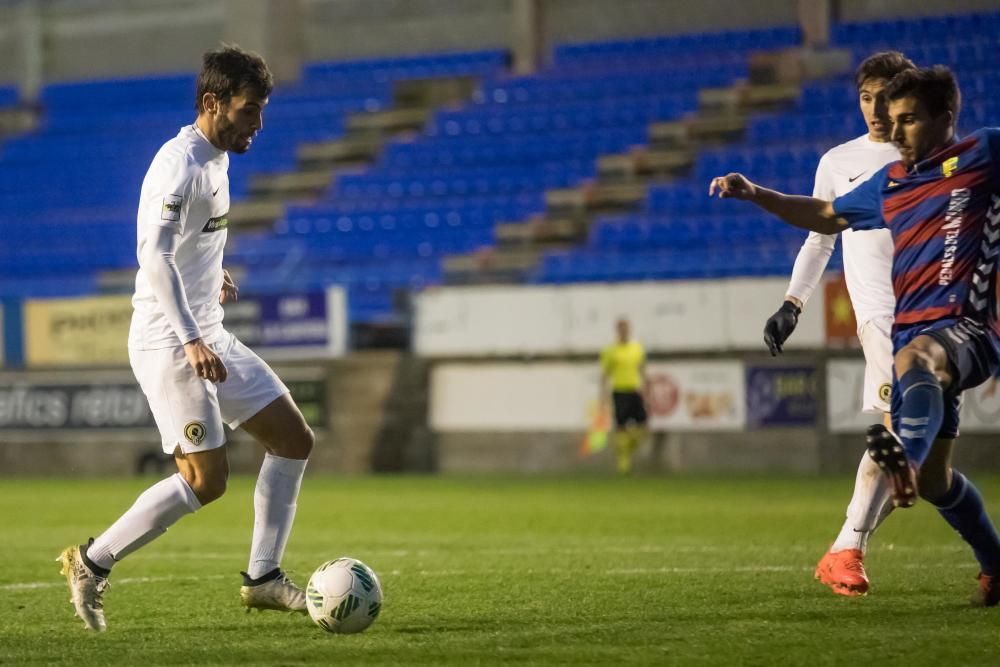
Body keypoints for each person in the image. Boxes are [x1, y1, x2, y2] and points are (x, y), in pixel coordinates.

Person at [709, 66, 1000, 606]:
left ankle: (900, 466)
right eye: (892, 119)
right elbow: (823, 215)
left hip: (969, 327)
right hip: (912, 332)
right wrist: (756, 194)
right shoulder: (889, 184)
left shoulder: (985, 154)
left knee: (917, 359)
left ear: (946, 118)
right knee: (939, 481)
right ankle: (994, 561)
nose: (897, 131)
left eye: (909, 120)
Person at [58, 44, 316, 632]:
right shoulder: (180, 165)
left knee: (293, 440)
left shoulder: (216, 157)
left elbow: (185, 242)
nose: (259, 123)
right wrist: (192, 335)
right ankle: (92, 562)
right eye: (250, 110)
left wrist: (209, 270)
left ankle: (263, 580)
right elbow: (152, 254)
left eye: (262, 109)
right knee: (206, 480)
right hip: (171, 342)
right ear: (213, 103)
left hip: (207, 332)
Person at [763, 51, 915, 597]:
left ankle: (846, 548)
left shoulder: (933, 154)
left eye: (885, 96)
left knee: (920, 446)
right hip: (883, 317)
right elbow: (820, 236)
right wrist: (793, 303)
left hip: (938, 310)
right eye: (865, 97)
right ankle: (847, 548)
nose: (875, 109)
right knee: (905, 437)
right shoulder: (840, 161)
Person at [600, 318, 649, 474]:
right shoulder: (611, 350)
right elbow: (605, 374)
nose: (624, 331)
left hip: (634, 390)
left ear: (630, 329)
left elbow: (641, 368)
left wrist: (647, 384)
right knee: (621, 427)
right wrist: (603, 394)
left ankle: (626, 448)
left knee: (643, 425)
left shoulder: (637, 348)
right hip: (619, 391)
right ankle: (623, 460)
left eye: (626, 328)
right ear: (617, 330)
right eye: (621, 328)